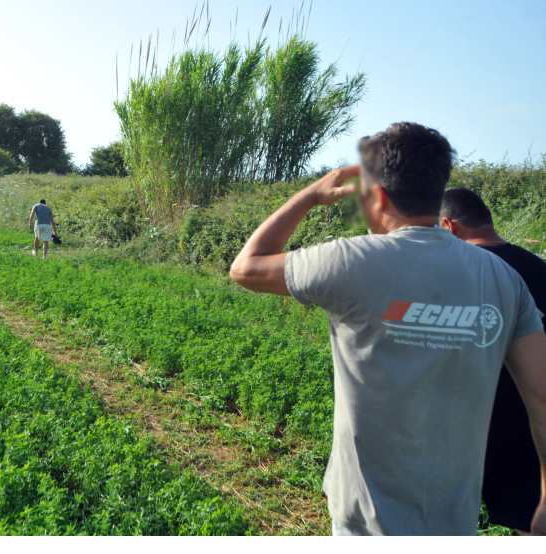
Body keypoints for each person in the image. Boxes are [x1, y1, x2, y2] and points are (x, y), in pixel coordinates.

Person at [229, 122, 546, 536]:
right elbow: (542, 397)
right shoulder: (504, 279)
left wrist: (308, 197)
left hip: (363, 518)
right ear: (437, 192)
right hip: (454, 519)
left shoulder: (346, 261)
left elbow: (245, 267)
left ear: (377, 196)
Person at [440, 186, 546, 534]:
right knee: (531, 526)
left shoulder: (452, 274)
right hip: (529, 433)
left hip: (460, 435)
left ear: (448, 226)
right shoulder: (539, 270)